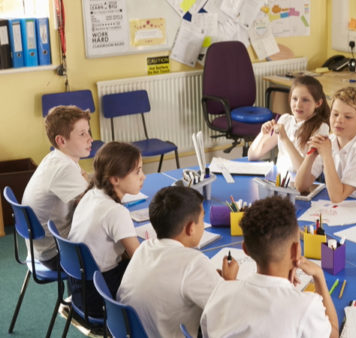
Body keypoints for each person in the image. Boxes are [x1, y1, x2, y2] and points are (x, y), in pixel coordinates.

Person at [200, 195, 339, 338]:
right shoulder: (306, 307)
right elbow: (334, 334)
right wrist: (319, 275)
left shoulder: (220, 292)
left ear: (245, 249)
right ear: (296, 250)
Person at [118, 186, 239, 337]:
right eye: (202, 219)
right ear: (190, 228)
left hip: (127, 332)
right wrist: (229, 282)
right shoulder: (194, 263)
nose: (203, 224)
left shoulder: (144, 247)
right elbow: (230, 312)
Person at [68, 141, 144, 317]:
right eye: (137, 171)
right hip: (100, 298)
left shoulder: (91, 194)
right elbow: (140, 259)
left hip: (80, 291)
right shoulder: (116, 212)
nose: (143, 177)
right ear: (115, 179)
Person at [21, 105, 92, 270]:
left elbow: (86, 193)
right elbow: (94, 207)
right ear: (61, 140)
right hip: (57, 253)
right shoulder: (64, 167)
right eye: (82, 134)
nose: (90, 139)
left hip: (41, 248)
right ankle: (85, 294)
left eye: (88, 132)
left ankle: (80, 294)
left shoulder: (55, 157)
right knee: (118, 248)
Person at [295, 87, 356, 208]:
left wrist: (326, 155)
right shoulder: (331, 141)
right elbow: (300, 186)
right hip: (347, 206)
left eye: (348, 117)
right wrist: (311, 154)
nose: (339, 120)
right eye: (335, 114)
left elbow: (337, 197)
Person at [248, 75, 330, 176]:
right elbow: (252, 155)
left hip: (301, 186)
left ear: (318, 103)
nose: (298, 105)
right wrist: (262, 134)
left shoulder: (321, 128)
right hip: (280, 182)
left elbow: (305, 174)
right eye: (294, 99)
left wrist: (285, 139)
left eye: (305, 100)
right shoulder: (285, 120)